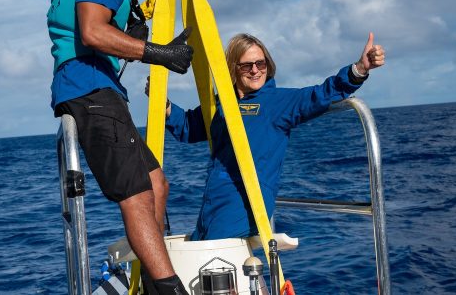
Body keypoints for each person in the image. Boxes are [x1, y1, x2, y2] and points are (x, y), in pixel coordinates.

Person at [47, 0, 193, 294]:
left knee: (156, 183)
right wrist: (161, 53)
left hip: (97, 88)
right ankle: (167, 287)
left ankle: (149, 277)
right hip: (90, 89)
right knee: (137, 193)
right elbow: (94, 31)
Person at [151, 32, 385, 240]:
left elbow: (321, 94)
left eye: (260, 63)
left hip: (243, 209)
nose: (255, 70)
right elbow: (189, 127)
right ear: (232, 68)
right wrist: (166, 105)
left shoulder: (278, 103)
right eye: (247, 65)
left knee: (212, 265)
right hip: (212, 206)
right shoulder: (221, 105)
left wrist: (359, 70)